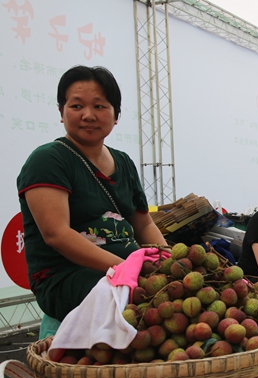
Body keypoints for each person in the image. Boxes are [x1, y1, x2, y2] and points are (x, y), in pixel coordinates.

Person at [17, 65, 167, 322]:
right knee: (148, 301)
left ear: (115, 115)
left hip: (128, 271)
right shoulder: (48, 160)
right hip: (67, 276)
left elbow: (143, 223)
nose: (88, 115)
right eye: (76, 106)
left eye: (99, 106)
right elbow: (57, 234)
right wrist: (124, 269)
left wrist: (169, 261)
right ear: (61, 113)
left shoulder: (123, 161)